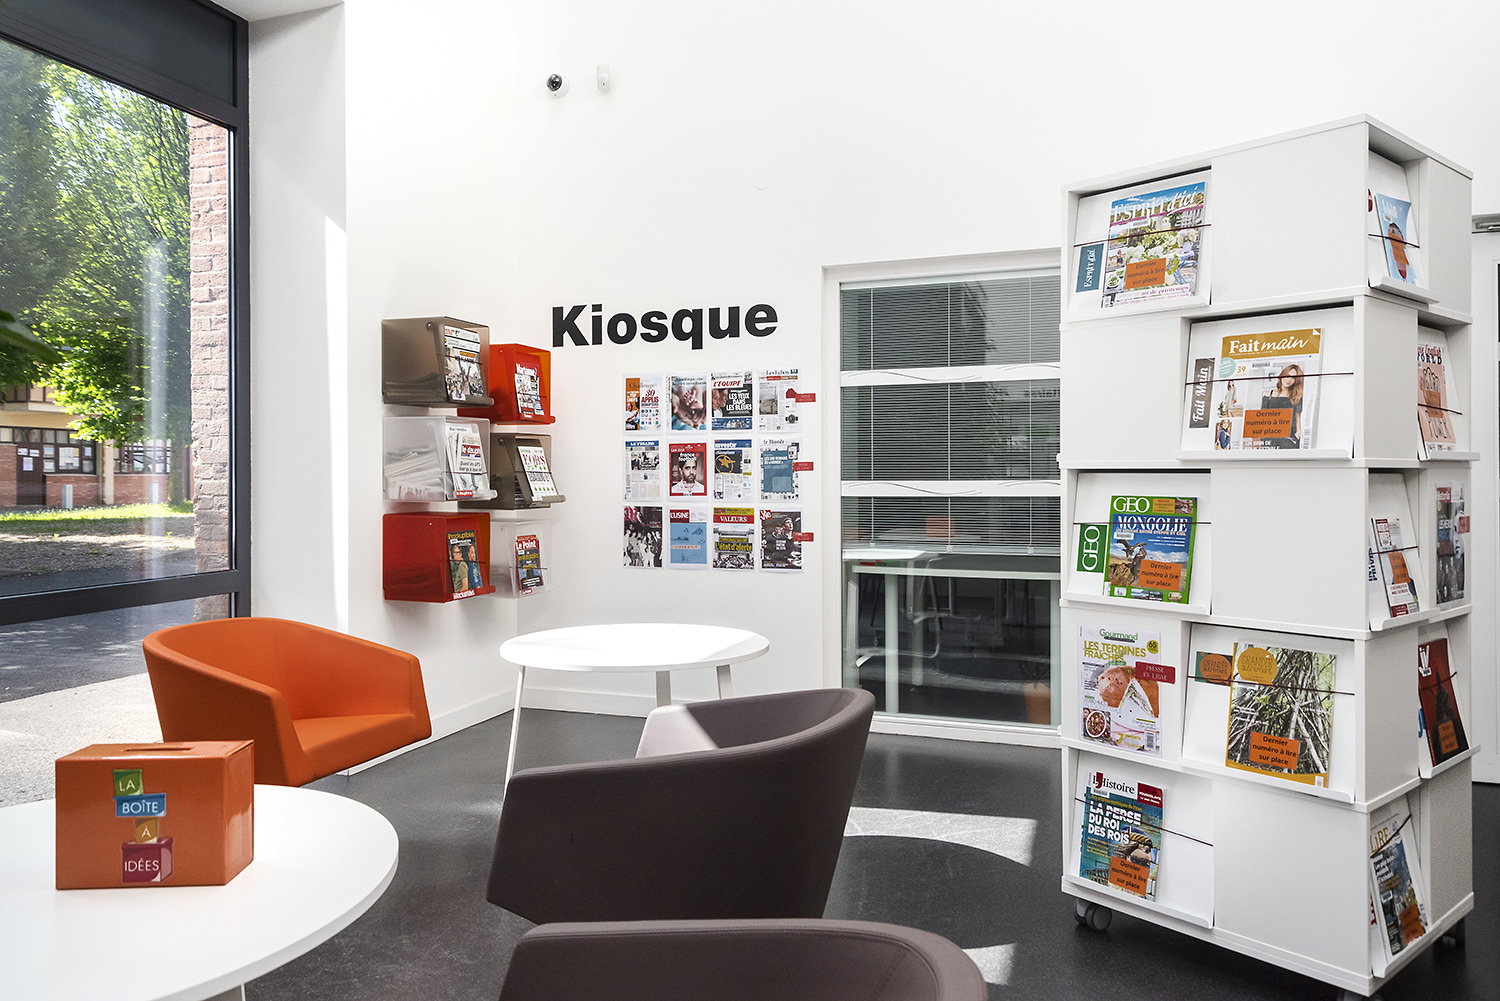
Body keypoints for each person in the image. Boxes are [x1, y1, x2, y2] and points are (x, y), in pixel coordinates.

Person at [1259, 364, 1305, 448]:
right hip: (1269, 437)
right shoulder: (1269, 394)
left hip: (1288, 438)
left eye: (1293, 378)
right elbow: (1262, 418)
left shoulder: (1296, 396)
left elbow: (1297, 416)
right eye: (1287, 375)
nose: (1289, 379)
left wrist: (1298, 434)